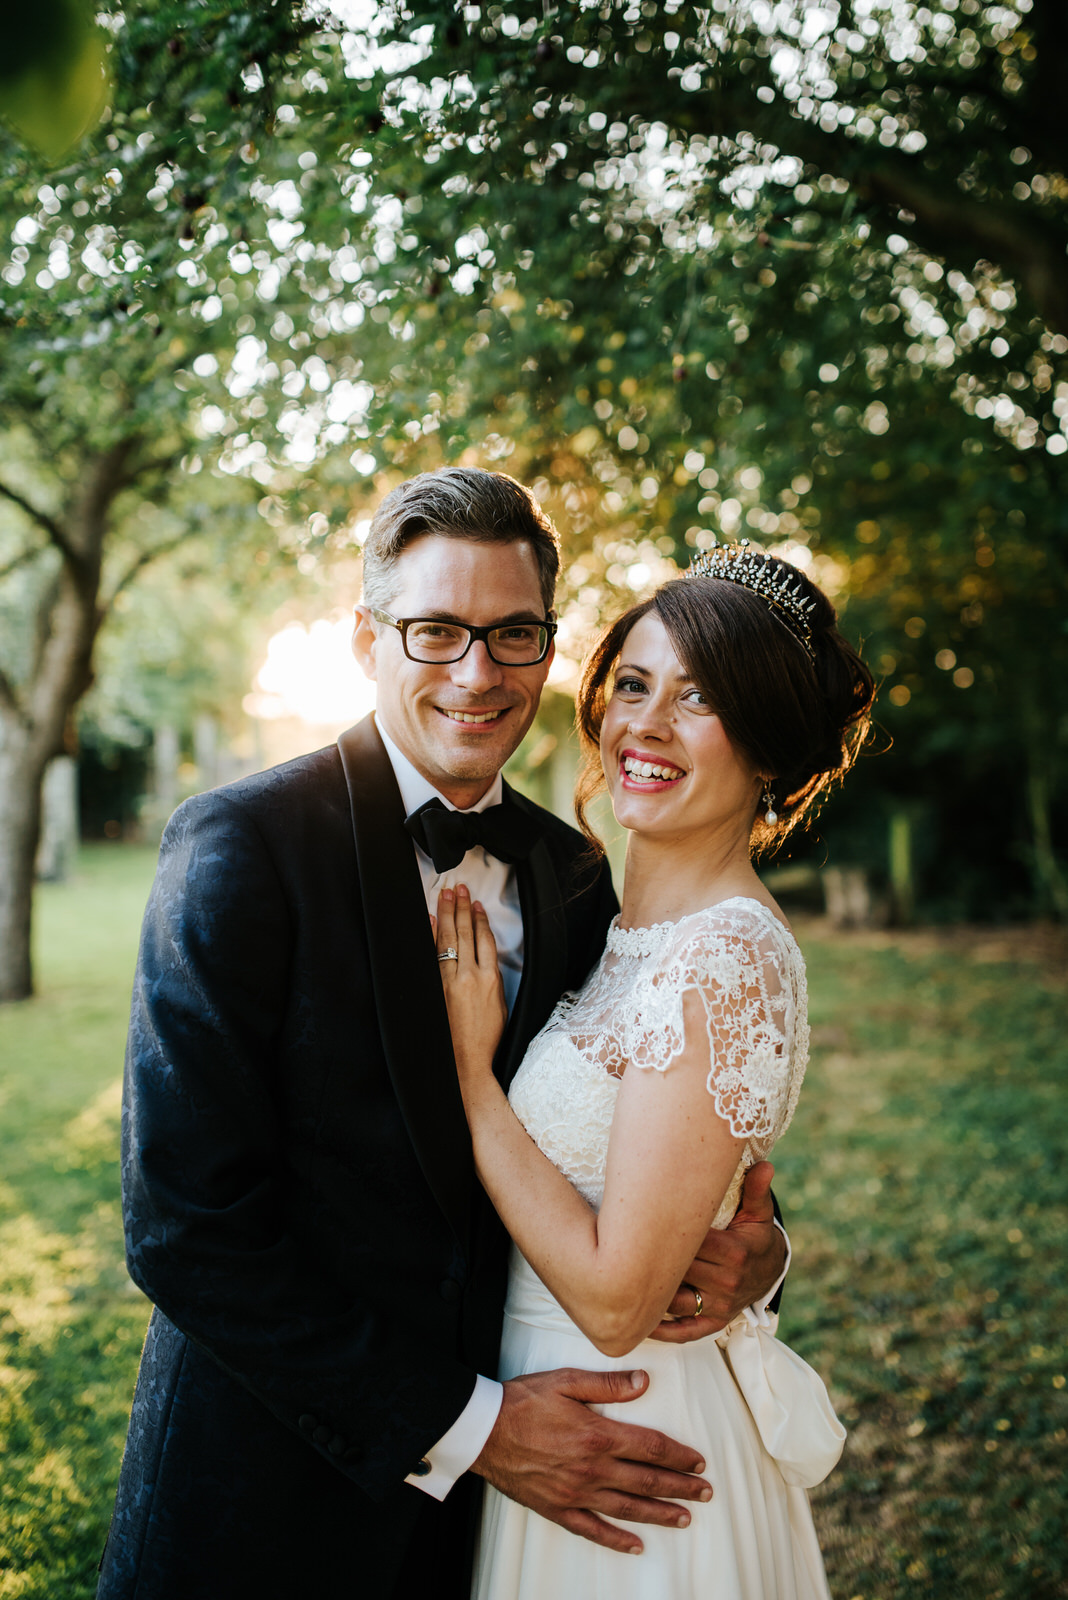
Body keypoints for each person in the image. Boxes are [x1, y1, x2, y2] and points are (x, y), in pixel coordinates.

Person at [97, 471, 788, 1600]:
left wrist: (756, 1256)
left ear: (551, 645)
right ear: (368, 637)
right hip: (268, 1510)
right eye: (435, 632)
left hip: (489, 1540)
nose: (478, 674)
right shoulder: (239, 845)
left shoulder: (571, 872)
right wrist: (472, 1426)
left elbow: (639, 1101)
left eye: (513, 634)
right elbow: (185, 1226)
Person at [433, 542, 875, 1598]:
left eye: (702, 699)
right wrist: (757, 1254)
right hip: (541, 1426)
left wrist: (469, 1079)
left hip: (634, 1449)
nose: (648, 724)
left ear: (767, 747)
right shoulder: (609, 914)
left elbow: (619, 1298)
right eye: (634, 683)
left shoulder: (729, 954)